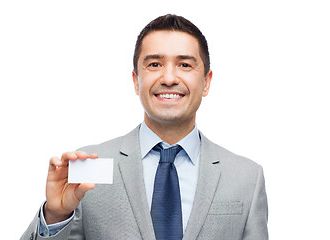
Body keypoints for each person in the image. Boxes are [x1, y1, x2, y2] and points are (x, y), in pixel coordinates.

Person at [21, 14, 268, 240]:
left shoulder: (246, 177)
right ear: (136, 81)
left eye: (184, 65)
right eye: (154, 64)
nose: (169, 78)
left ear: (206, 82)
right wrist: (54, 216)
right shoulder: (87, 167)